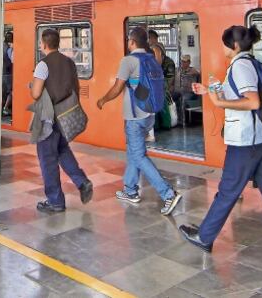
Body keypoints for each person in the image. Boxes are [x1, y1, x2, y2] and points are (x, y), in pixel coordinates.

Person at [179, 25, 262, 273]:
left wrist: (218, 101)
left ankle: (204, 237)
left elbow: (252, 101)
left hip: (246, 143)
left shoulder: (240, 66)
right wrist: (211, 91)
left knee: (228, 191)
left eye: (225, 44)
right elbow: (245, 94)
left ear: (235, 46)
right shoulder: (250, 63)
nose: (223, 48)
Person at [96, 27, 182, 215]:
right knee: (134, 152)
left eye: (128, 41)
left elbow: (118, 87)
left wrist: (102, 99)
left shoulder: (129, 60)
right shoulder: (152, 59)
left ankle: (168, 193)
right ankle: (130, 190)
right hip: (149, 114)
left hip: (135, 116)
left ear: (132, 42)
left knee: (139, 155)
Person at [31, 28, 93, 213]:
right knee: (62, 150)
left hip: (48, 118)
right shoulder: (69, 62)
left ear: (43, 44)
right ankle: (82, 181)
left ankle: (55, 200)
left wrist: (32, 87)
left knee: (47, 158)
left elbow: (36, 94)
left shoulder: (43, 65)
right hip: (65, 116)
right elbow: (75, 86)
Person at [177, 54, 201, 126]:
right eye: (182, 61)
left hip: (190, 92)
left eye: (185, 62)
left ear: (189, 62)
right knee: (171, 97)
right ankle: (175, 119)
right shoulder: (179, 70)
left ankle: (183, 121)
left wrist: (188, 73)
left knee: (183, 99)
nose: (183, 63)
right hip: (180, 91)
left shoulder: (192, 70)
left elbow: (198, 72)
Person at [2, 31, 14, 115]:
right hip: (8, 72)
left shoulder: (1, 45)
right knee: (12, 91)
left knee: (3, 91)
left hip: (2, 72)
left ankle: (3, 109)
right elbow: (12, 61)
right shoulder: (9, 49)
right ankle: (6, 108)